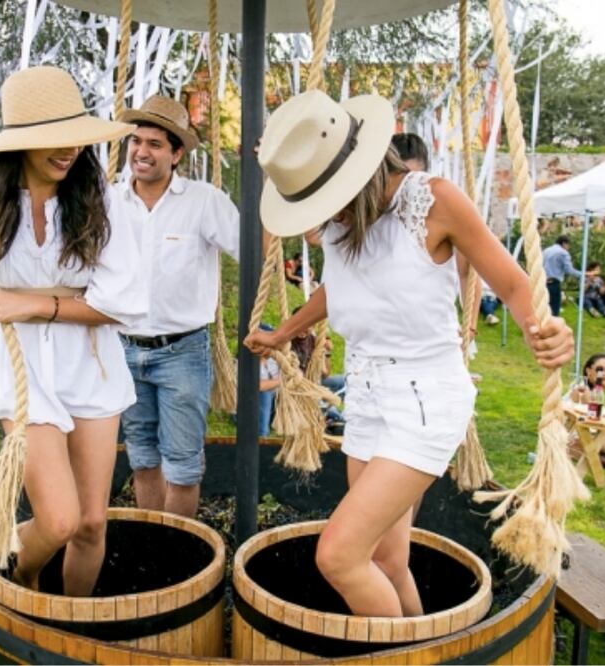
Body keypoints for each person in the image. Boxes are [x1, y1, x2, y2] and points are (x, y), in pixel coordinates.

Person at [246, 89, 573, 617]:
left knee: (339, 557)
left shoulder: (433, 201)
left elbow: (513, 284)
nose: (320, 216)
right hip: (366, 392)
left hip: (425, 398)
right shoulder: (340, 218)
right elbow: (341, 285)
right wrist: (284, 331)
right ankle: (428, 646)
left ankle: (398, 653)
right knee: (387, 559)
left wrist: (544, 328)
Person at [0, 66, 145, 593]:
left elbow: (122, 304)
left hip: (90, 362)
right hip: (20, 364)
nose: (69, 151)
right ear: (19, 144)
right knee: (60, 520)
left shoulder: (100, 197)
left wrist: (34, 304)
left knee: (91, 524)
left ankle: (72, 619)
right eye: (54, 139)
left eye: (75, 137)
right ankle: (24, 574)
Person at [117, 94, 239, 518]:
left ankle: (177, 546)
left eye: (154, 144)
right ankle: (153, 541)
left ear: (177, 153)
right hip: (123, 348)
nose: (142, 152)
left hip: (182, 351)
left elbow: (250, 249)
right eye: (136, 141)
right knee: (141, 457)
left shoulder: (204, 201)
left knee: (183, 466)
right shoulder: (111, 202)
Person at [542, 235, 582, 317]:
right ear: (564, 243)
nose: (568, 248)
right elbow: (569, 270)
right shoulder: (563, 253)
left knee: (543, 309)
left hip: (542, 282)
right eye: (568, 245)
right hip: (554, 283)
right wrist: (583, 274)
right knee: (554, 309)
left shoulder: (546, 250)